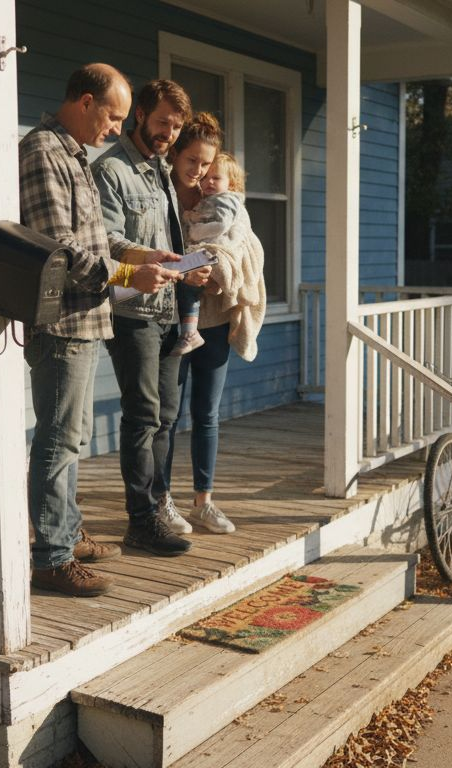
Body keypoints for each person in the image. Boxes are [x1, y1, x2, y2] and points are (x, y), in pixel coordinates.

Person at [19, 63, 180, 597]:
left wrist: (145, 256)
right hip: (62, 320)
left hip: (88, 318)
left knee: (74, 437)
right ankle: (51, 558)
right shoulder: (44, 151)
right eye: (111, 117)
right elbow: (60, 248)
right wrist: (133, 276)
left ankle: (67, 533)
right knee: (58, 440)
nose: (115, 128)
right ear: (85, 102)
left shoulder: (76, 155)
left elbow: (98, 241)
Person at [92, 80, 211, 556]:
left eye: (176, 125)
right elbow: (109, 241)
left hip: (167, 310)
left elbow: (168, 244)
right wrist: (153, 257)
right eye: (162, 122)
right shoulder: (112, 170)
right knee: (142, 416)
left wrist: (188, 268)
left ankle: (159, 505)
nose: (169, 133)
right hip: (131, 310)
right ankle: (139, 521)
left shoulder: (162, 172)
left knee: (166, 416)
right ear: (139, 114)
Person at [163, 115, 268, 535]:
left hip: (214, 318)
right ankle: (162, 502)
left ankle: (203, 501)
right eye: (195, 162)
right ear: (177, 156)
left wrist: (218, 267)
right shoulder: (165, 195)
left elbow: (243, 249)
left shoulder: (228, 205)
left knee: (206, 413)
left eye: (209, 167)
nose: (202, 173)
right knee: (166, 416)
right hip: (171, 317)